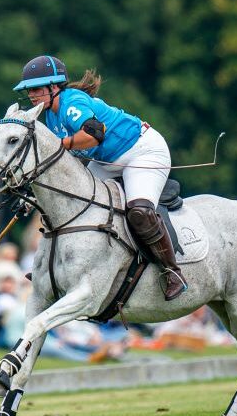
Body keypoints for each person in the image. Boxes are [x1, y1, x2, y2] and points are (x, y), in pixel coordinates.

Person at [14, 55, 188, 300]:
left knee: (139, 211)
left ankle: (173, 271)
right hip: (107, 160)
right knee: (70, 201)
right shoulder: (51, 116)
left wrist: (60, 144)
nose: (31, 95)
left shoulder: (70, 102)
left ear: (54, 87)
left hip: (141, 151)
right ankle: (51, 266)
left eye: (36, 89)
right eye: (28, 90)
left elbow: (95, 133)